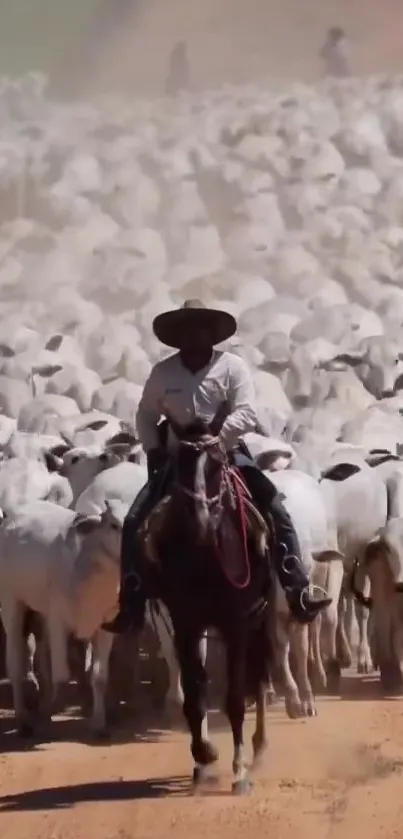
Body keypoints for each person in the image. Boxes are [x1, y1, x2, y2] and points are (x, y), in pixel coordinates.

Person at [102, 299, 331, 634]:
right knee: (136, 518)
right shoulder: (163, 372)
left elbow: (248, 411)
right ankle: (132, 602)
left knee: (275, 507)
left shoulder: (232, 367)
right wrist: (154, 450)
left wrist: (220, 438)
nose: (195, 335)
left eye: (201, 329)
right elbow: (146, 415)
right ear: (178, 335)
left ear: (212, 334)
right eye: (187, 329)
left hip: (225, 452)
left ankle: (297, 588)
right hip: (178, 458)